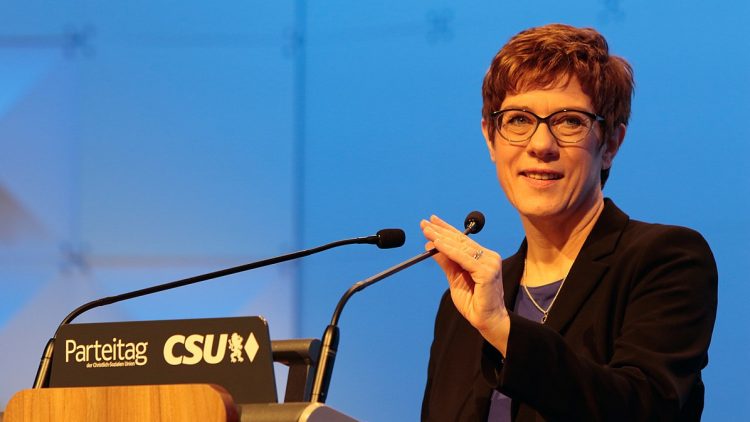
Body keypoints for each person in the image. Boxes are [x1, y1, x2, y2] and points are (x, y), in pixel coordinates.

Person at [420, 24, 717, 421]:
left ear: (610, 144)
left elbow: (643, 409)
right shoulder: (461, 307)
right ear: (491, 138)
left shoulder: (666, 261)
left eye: (570, 121)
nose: (541, 145)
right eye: (518, 119)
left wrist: (503, 331)